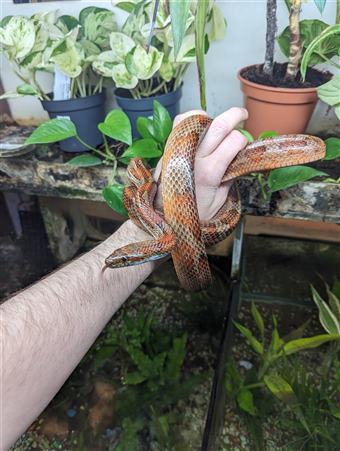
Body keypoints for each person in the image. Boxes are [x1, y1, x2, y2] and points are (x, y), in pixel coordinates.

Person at [0, 107, 248, 449]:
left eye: (127, 258)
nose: (119, 262)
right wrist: (171, 211)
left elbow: (165, 233)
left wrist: (169, 208)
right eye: (125, 259)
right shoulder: (146, 204)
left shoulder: (145, 202)